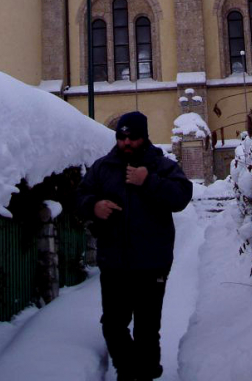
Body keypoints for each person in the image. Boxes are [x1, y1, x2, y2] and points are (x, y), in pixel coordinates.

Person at [76, 111, 193, 381]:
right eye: (122, 137)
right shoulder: (103, 167)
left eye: (133, 137)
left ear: (144, 137)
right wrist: (94, 206)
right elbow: (81, 195)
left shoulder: (161, 165)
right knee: (113, 326)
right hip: (114, 262)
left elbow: (181, 196)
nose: (126, 143)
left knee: (147, 330)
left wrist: (148, 181)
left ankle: (142, 373)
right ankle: (133, 372)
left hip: (152, 263)